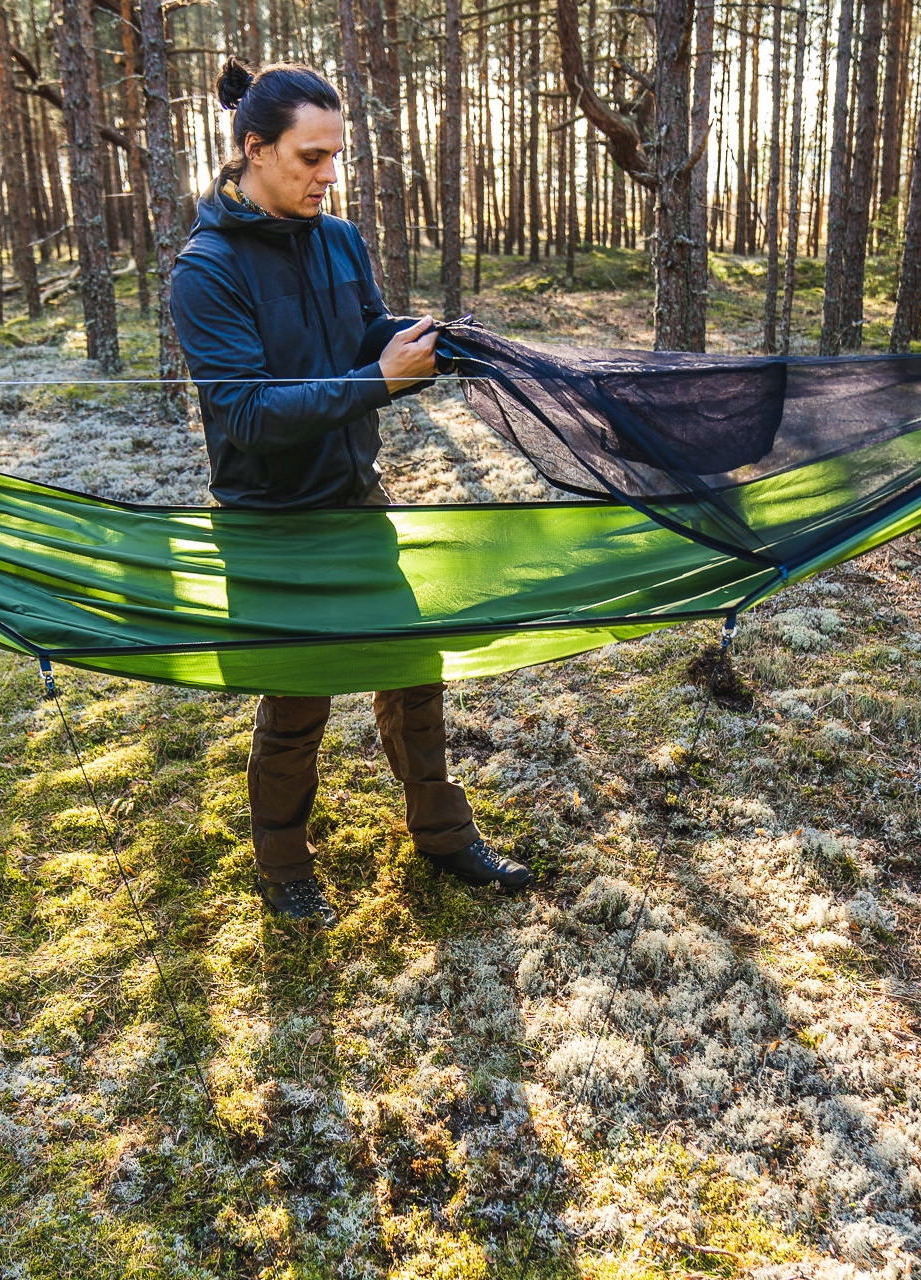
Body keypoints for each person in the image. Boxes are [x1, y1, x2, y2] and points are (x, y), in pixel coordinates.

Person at [168, 56, 531, 928]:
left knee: (414, 667)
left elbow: (362, 329)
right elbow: (246, 413)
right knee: (299, 698)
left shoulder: (337, 238)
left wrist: (424, 338)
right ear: (254, 149)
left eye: (336, 155)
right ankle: (283, 865)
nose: (328, 174)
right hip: (269, 521)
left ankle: (443, 836)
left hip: (355, 496)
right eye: (311, 157)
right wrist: (378, 381)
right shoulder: (206, 270)